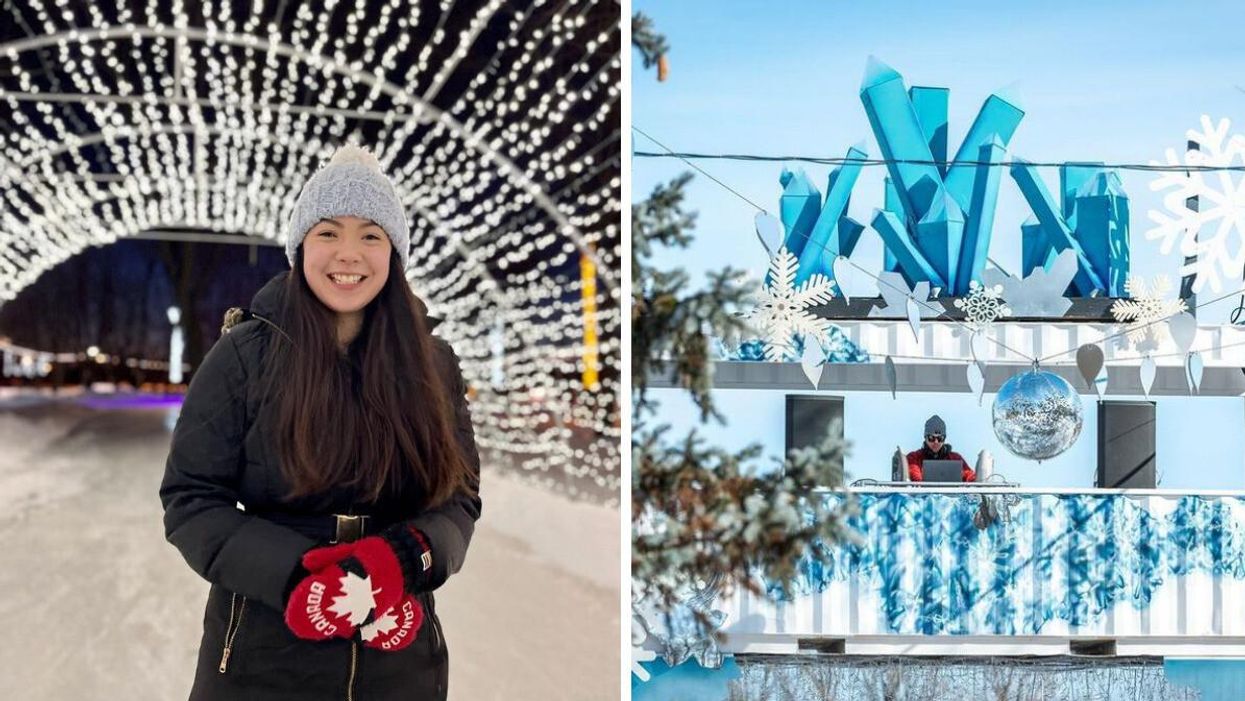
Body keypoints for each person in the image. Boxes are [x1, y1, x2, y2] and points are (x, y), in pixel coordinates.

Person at [159, 144, 481, 700]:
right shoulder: (245, 355)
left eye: (371, 235)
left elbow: (461, 496)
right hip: (261, 657)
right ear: (301, 245)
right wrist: (293, 575)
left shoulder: (433, 363)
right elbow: (191, 498)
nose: (348, 254)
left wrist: (411, 555)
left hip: (399, 662)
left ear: (394, 251)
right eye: (328, 232)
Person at [906, 414, 976, 482]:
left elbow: (968, 474)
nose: (936, 442)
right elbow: (914, 473)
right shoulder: (914, 458)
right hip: (923, 493)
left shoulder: (955, 459)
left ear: (944, 439)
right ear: (925, 437)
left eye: (940, 438)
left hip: (949, 494)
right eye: (931, 438)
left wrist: (974, 479)